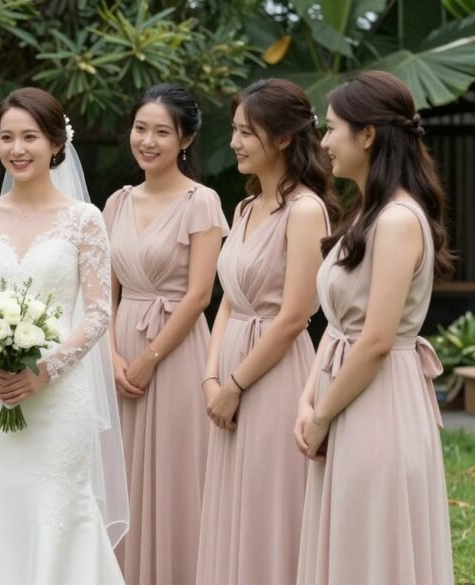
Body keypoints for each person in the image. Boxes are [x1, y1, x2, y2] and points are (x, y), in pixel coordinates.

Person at [0, 87, 128, 585]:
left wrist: (46, 371)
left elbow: (97, 311)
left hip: (59, 395)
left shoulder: (85, 220)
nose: (17, 149)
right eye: (7, 137)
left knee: (58, 504)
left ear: (54, 144)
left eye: (29, 137)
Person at [296, 70, 455, 585]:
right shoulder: (368, 213)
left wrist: (320, 416)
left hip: (379, 403)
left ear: (368, 135)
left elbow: (378, 340)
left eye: (333, 128)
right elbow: (339, 326)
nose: (323, 143)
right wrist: (309, 399)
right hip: (347, 395)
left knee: (369, 550)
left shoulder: (396, 220)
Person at [196, 79, 336, 585]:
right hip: (230, 368)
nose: (234, 142)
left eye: (245, 132)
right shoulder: (243, 207)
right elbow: (227, 301)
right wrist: (211, 380)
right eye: (233, 130)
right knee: (233, 502)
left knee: (269, 504)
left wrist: (234, 385)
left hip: (275, 374)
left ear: (281, 138)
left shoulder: (305, 210)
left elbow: (296, 316)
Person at [103, 84, 227, 585]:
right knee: (123, 475)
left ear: (186, 139)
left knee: (179, 473)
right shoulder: (115, 203)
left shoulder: (203, 202)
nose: (147, 141)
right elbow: (100, 293)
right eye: (140, 128)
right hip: (119, 354)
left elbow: (200, 294)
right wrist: (110, 356)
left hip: (177, 351)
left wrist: (151, 357)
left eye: (161, 132)